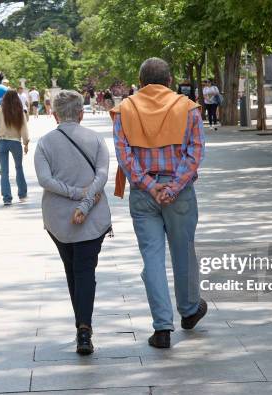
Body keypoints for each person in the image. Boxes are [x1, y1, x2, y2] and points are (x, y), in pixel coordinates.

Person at [111, 57, 207, 349]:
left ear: (140, 83)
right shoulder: (188, 108)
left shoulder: (124, 110)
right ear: (169, 80)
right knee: (183, 251)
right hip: (179, 194)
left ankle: (162, 328)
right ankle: (189, 310)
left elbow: (124, 156)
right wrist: (174, 186)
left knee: (152, 258)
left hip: (144, 193)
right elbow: (196, 152)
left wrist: (152, 187)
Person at [34, 90, 111, 355]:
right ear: (81, 113)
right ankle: (84, 328)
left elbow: (45, 180)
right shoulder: (96, 139)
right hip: (93, 218)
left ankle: (82, 326)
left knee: (72, 269)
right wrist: (86, 200)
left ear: (54, 114)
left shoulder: (44, 143)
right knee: (85, 270)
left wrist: (74, 195)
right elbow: (102, 175)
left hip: (58, 219)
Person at [0, 90, 30, 205]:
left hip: (2, 142)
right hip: (16, 142)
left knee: (4, 171)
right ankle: (22, 194)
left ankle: (7, 198)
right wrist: (26, 142)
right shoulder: (19, 111)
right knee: (19, 168)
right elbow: (24, 128)